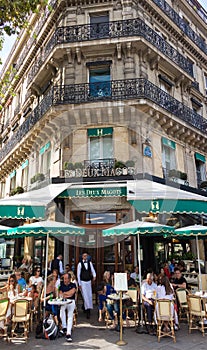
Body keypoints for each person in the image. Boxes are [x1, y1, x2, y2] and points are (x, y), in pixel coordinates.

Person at [77, 252, 96, 319]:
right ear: (82, 256)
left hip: (88, 281)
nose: (85, 257)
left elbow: (93, 270)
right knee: (85, 296)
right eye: (84, 256)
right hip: (83, 282)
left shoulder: (89, 263)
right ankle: (87, 310)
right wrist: (79, 284)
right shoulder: (79, 264)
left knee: (89, 295)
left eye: (86, 256)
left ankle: (87, 308)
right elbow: (78, 274)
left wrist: (94, 276)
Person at [59, 273, 76, 342]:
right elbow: (60, 294)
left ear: (69, 279)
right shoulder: (61, 285)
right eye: (64, 278)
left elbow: (72, 293)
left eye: (66, 278)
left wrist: (64, 293)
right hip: (64, 301)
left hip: (71, 301)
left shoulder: (73, 285)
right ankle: (64, 327)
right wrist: (66, 294)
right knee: (61, 311)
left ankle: (68, 333)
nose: (64, 280)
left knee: (70, 315)